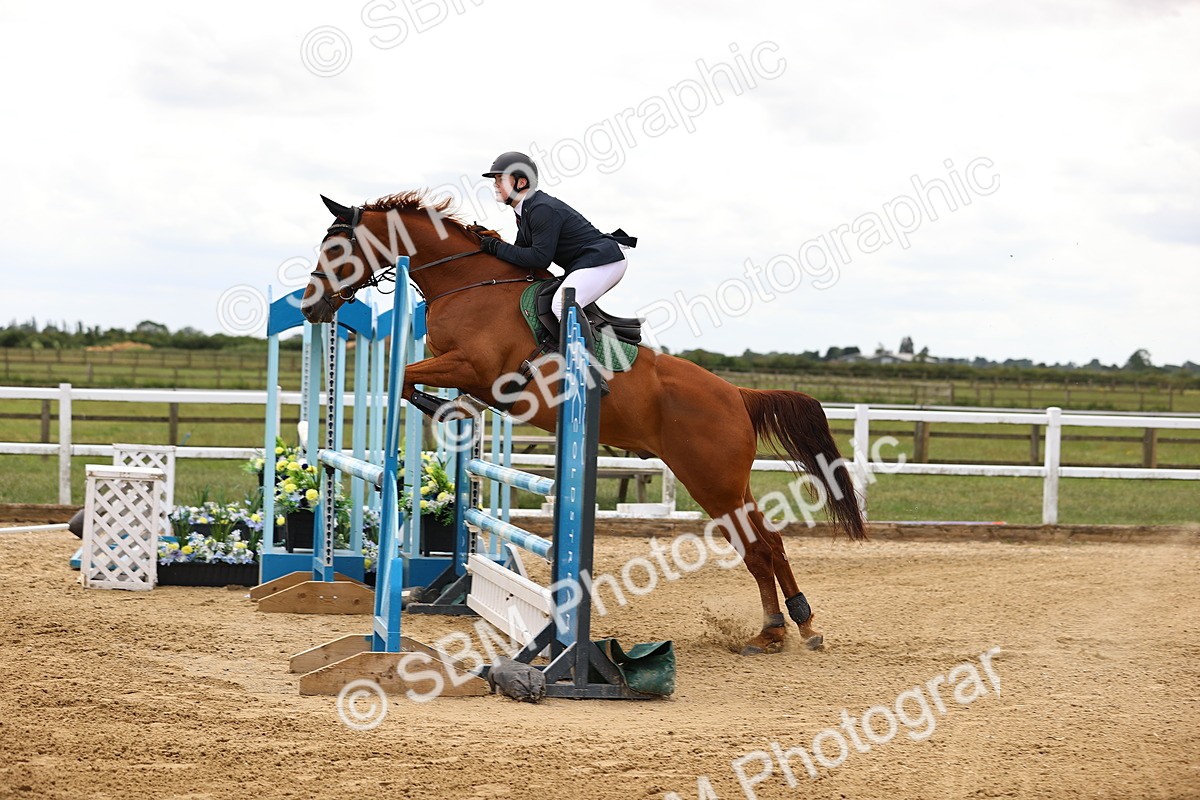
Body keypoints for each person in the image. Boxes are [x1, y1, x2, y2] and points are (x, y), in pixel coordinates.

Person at [478, 151, 634, 321]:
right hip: (590, 261)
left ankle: (580, 349)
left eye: (500, 179)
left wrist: (497, 247)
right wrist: (487, 241)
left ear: (521, 182)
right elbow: (520, 254)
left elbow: (539, 258)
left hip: (604, 260)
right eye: (495, 180)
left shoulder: (541, 209)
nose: (495, 184)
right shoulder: (525, 211)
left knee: (561, 305)